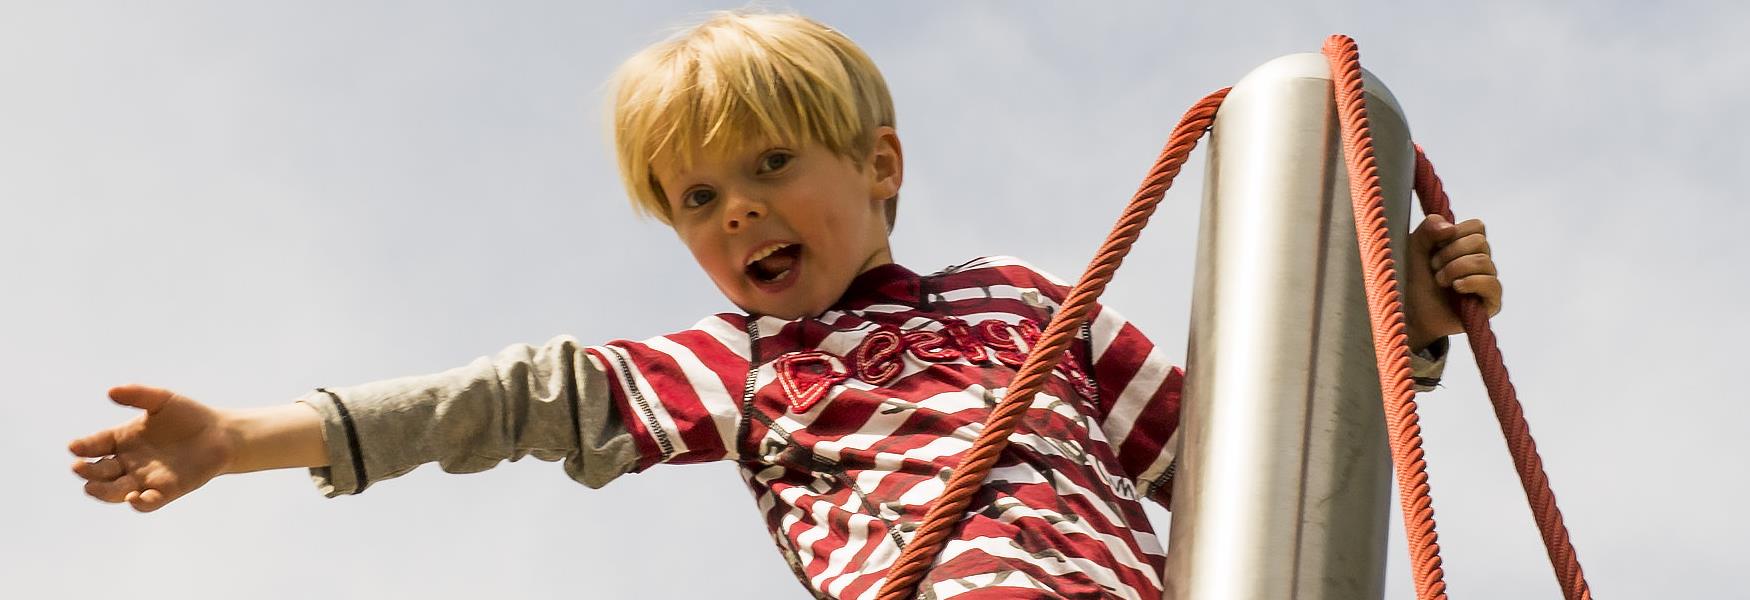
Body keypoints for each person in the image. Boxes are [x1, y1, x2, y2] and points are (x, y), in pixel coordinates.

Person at [66, 11, 1503, 600]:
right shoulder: (738, 367)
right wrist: (251, 436)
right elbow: (516, 402)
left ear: (879, 170)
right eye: (696, 199)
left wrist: (1415, 330)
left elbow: (1235, 458)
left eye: (768, 166)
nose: (735, 209)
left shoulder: (1023, 310)